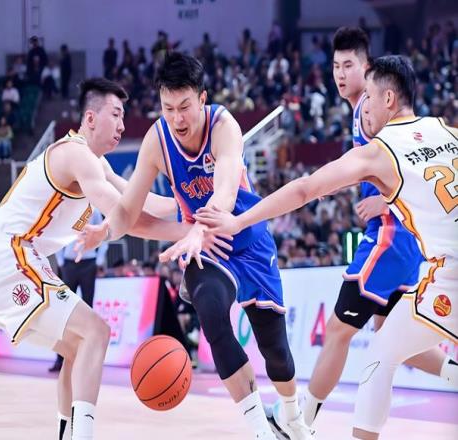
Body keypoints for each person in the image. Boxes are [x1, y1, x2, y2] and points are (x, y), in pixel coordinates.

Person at [192, 55, 458, 440]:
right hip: (437, 271)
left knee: (380, 356)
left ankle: (306, 419)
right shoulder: (445, 129)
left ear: (387, 99)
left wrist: (237, 221)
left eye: (369, 97)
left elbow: (305, 189)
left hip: (446, 274)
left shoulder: (378, 151)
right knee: (390, 339)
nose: (364, 107)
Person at [0, 77, 228, 440]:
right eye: (116, 114)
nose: (122, 125)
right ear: (90, 118)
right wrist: (187, 231)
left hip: (15, 261)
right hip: (10, 259)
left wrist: (191, 201)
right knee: (96, 332)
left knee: (79, 347)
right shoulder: (76, 154)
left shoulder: (97, 163)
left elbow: (141, 201)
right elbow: (124, 216)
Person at [78, 52, 313, 440]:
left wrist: (196, 230)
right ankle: (260, 430)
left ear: (203, 99)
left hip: (247, 238)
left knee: (276, 351)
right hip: (208, 250)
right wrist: (104, 231)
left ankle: (291, 417)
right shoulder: (156, 141)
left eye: (185, 106)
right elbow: (130, 209)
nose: (177, 118)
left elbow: (224, 193)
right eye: (168, 108)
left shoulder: (224, 127)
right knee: (211, 313)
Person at [296, 27, 449, 427]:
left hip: (389, 236)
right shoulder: (359, 109)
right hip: (404, 239)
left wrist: (386, 200)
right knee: (390, 337)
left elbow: (407, 162)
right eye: (335, 66)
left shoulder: (371, 109)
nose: (340, 73)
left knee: (338, 330)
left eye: (349, 65)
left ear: (368, 70)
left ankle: (299, 421)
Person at [49, 207, 108, 373]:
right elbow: (58, 235)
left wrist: (99, 260)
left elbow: (103, 234)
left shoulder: (94, 210)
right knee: (65, 311)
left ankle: (86, 359)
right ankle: (61, 358)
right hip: (69, 263)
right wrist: (61, 262)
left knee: (88, 310)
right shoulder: (67, 208)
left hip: (89, 262)